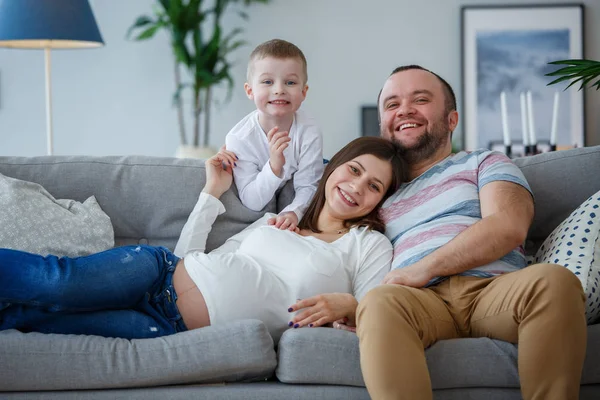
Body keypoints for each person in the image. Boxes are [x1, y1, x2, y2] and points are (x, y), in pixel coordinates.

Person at [0, 137, 405, 343]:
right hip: (154, 273)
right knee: (57, 283)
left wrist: (350, 304)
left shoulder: (367, 244)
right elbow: (188, 257)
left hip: (166, 326)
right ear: (333, 167)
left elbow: (379, 310)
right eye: (352, 170)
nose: (356, 187)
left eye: (373, 186)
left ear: (380, 200)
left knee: (32, 319)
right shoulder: (275, 222)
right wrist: (212, 192)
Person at [352, 65, 587, 400]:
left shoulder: (483, 162)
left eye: (420, 99)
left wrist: (424, 268)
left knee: (554, 281)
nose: (404, 109)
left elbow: (508, 225)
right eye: (392, 105)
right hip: (420, 302)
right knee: (378, 302)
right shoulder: (376, 192)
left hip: (492, 290)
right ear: (382, 125)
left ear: (452, 119)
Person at [225, 38, 324, 232]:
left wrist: (294, 212)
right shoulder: (239, 138)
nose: (279, 90)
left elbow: (310, 184)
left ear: (304, 92)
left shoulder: (309, 130)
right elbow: (252, 201)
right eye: (268, 82)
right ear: (250, 90)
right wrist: (274, 167)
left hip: (300, 178)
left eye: (290, 82)